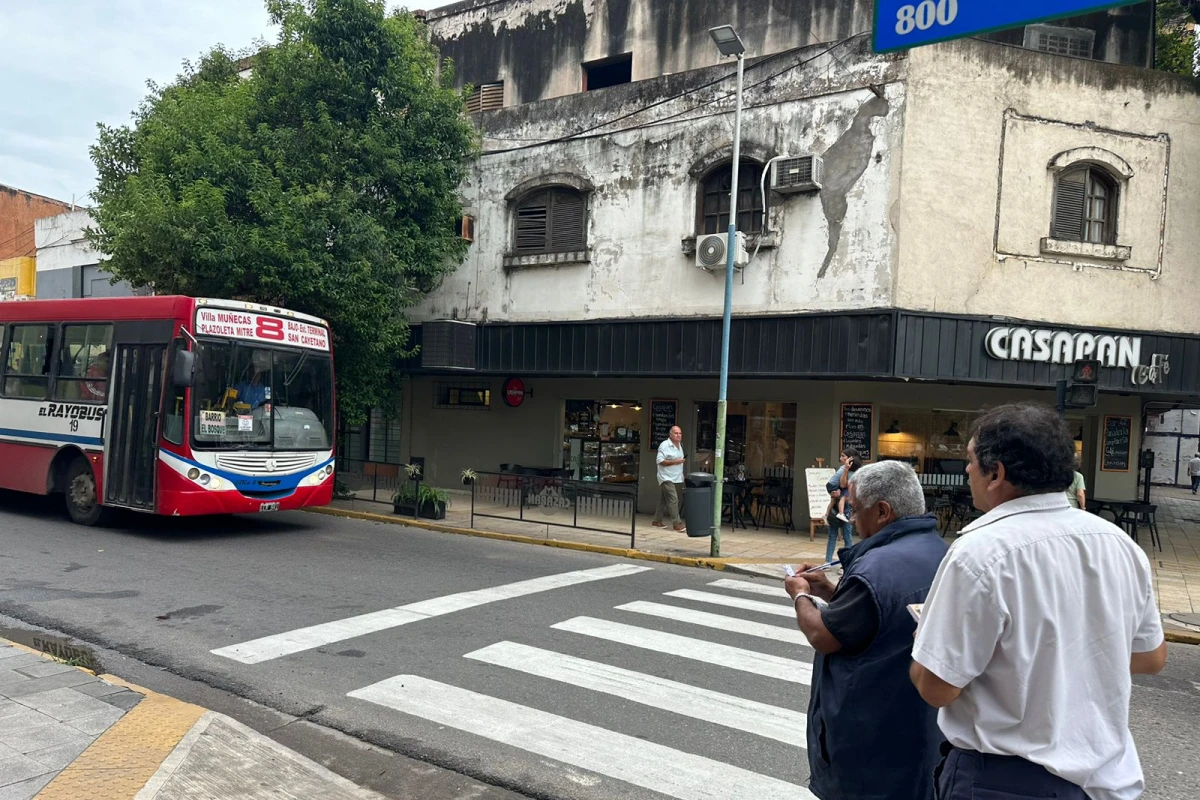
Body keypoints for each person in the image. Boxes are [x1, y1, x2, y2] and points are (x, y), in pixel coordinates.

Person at [910, 403, 1166, 800]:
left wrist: (928, 638)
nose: (966, 472)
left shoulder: (978, 552)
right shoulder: (1119, 544)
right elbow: (1151, 657)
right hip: (1106, 779)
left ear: (998, 474)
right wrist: (1069, 647)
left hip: (1003, 782)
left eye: (972, 461)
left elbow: (936, 688)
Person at [785, 460, 948, 800]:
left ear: (883, 511)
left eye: (855, 510)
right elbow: (881, 614)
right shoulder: (942, 553)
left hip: (873, 738)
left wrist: (800, 594)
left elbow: (824, 636)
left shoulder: (877, 566)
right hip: (923, 728)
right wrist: (831, 591)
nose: (853, 520)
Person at [823, 449, 858, 563]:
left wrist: (846, 470)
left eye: (843, 456)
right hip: (837, 504)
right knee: (832, 535)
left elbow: (845, 486)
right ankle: (827, 562)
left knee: (847, 536)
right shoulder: (843, 469)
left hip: (847, 507)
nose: (840, 458)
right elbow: (840, 485)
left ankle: (846, 564)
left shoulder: (856, 472)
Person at [651, 425, 686, 532]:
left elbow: (680, 462)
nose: (678, 435)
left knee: (664, 500)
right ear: (670, 435)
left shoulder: (680, 445)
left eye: (680, 433)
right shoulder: (664, 445)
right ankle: (677, 523)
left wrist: (681, 473)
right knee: (673, 499)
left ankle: (656, 520)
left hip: (674, 476)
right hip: (665, 477)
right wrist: (676, 462)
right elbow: (660, 461)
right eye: (676, 433)